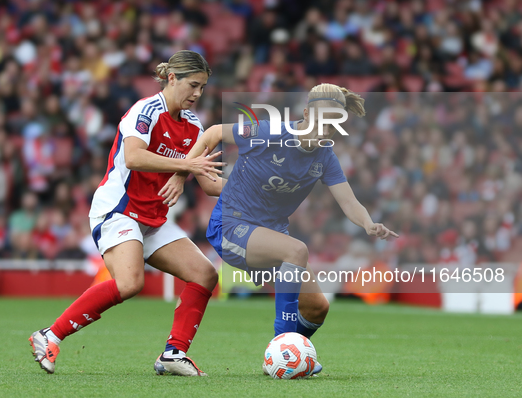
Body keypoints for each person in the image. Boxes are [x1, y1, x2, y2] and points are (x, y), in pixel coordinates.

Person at [160, 83, 398, 376]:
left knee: (316, 308)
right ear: (308, 112)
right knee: (296, 250)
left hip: (269, 236)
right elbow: (213, 133)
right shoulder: (270, 132)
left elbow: (349, 203)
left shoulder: (324, 157)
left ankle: (290, 355)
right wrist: (183, 173)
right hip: (232, 227)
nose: (329, 127)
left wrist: (368, 223)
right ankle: (281, 348)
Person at [29, 50, 225, 376]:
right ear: (172, 78)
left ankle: (174, 354)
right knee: (130, 282)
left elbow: (206, 180)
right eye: (193, 85)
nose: (197, 94)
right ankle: (49, 335)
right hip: (118, 211)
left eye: (203, 87)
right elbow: (134, 157)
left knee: (205, 274)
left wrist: (256, 188)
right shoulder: (145, 111)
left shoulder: (193, 125)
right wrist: (184, 166)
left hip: (153, 219)